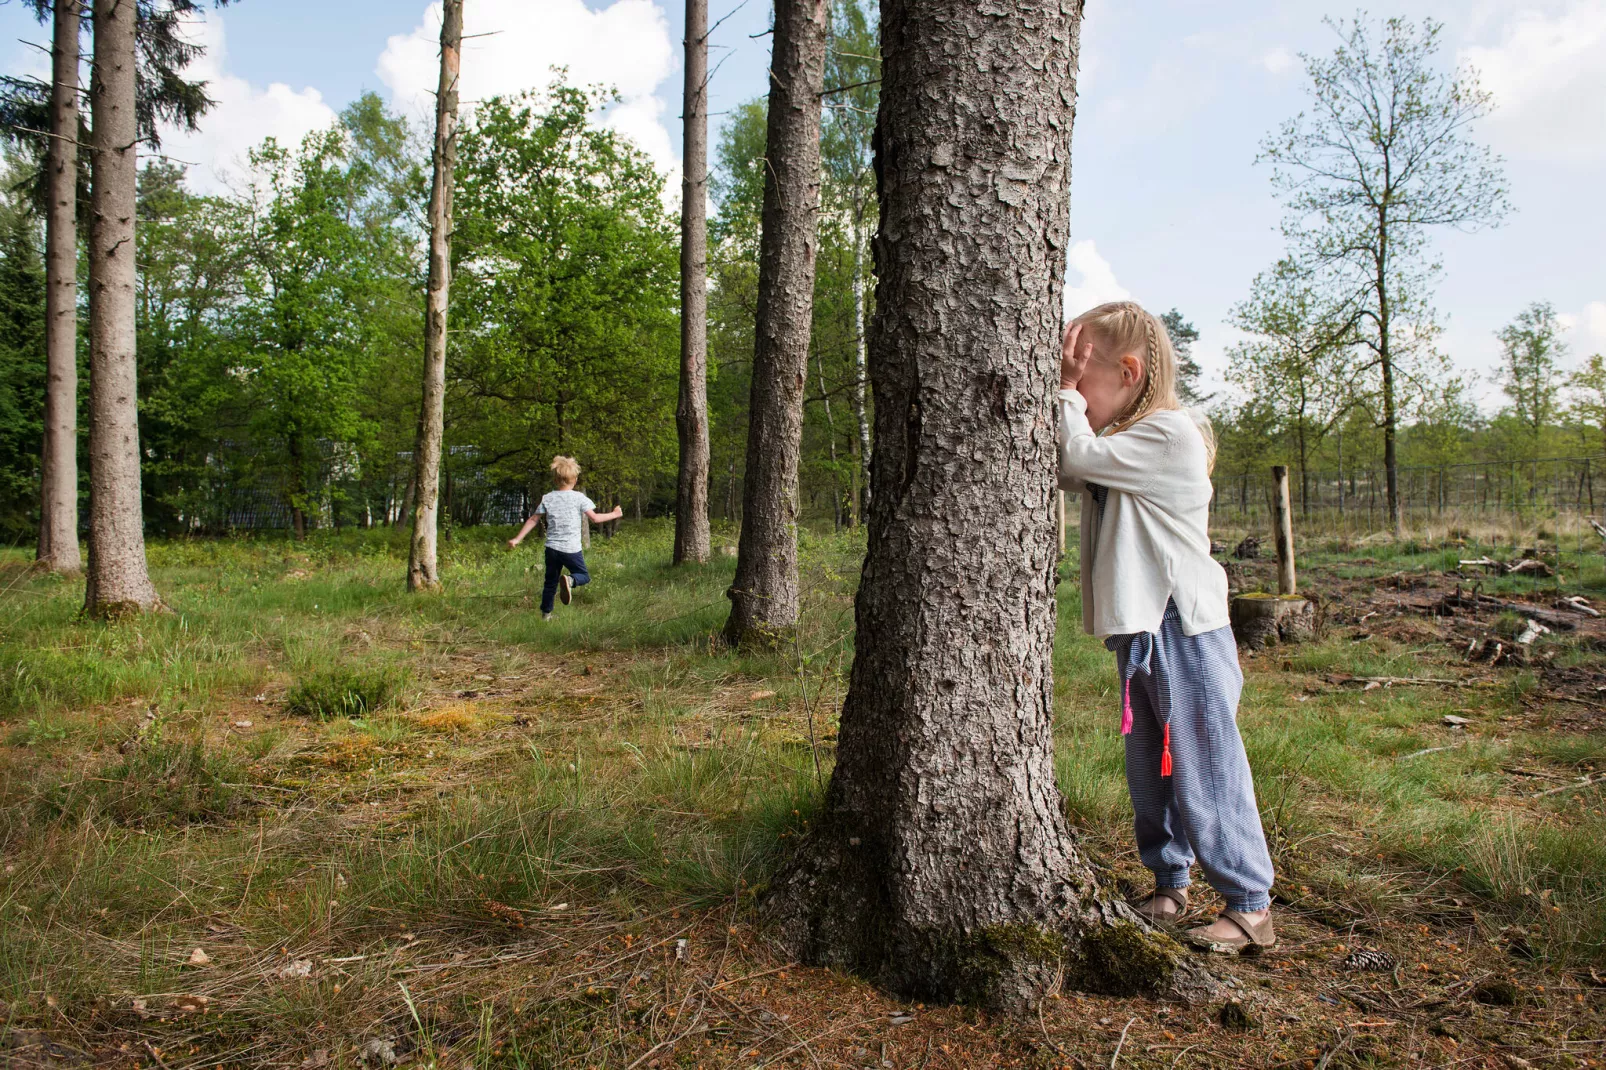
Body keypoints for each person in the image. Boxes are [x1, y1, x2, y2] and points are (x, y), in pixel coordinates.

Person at [1058, 300, 1276, 953]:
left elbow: (1073, 459)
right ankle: (1170, 880)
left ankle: (1250, 904)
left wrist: (1065, 396)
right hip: (1144, 634)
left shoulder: (1167, 434)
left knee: (1204, 765)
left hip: (1183, 627)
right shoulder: (1125, 441)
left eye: (1079, 374)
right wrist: (1072, 392)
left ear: (1127, 371)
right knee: (1150, 770)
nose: (1068, 388)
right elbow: (1071, 461)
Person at [507, 455, 624, 620]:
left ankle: (546, 615)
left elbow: (533, 519)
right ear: (575, 480)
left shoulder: (547, 498)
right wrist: (614, 513)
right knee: (583, 576)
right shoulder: (579, 498)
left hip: (552, 549)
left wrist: (517, 539)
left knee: (550, 582)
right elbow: (595, 519)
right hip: (570, 549)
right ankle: (570, 581)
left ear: (555, 480)